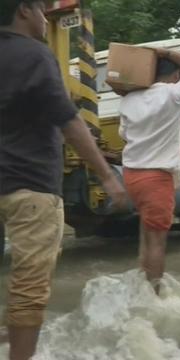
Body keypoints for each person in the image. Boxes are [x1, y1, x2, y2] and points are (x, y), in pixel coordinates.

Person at [0, 1, 128, 358]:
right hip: (32, 188)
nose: (45, 19)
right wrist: (107, 175)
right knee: (28, 290)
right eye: (41, 11)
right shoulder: (36, 56)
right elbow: (68, 119)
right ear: (24, 10)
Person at [119, 48, 180, 292]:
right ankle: (154, 296)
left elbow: (123, 134)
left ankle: (142, 286)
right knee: (157, 242)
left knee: (146, 234)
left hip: (131, 176)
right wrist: (165, 51)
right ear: (176, 74)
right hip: (157, 178)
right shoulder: (173, 95)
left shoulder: (129, 100)